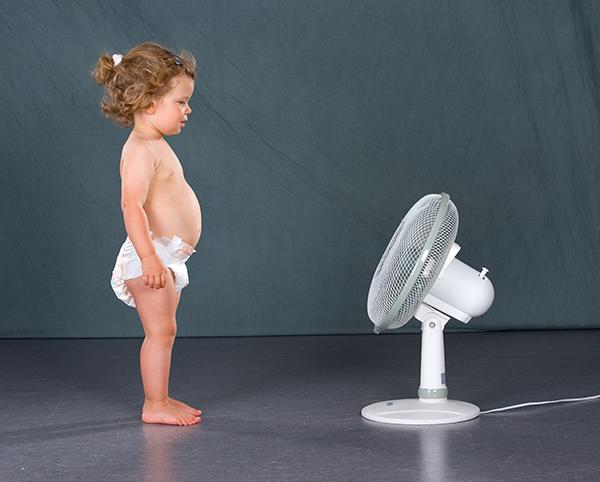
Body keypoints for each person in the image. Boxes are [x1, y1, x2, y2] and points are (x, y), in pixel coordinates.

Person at [91, 42, 202, 426]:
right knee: (160, 333)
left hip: (164, 253)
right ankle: (154, 404)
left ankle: (161, 398)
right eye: (181, 102)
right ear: (149, 101)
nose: (188, 110)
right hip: (149, 253)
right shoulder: (140, 149)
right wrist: (151, 257)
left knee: (166, 330)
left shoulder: (154, 144)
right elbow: (131, 206)